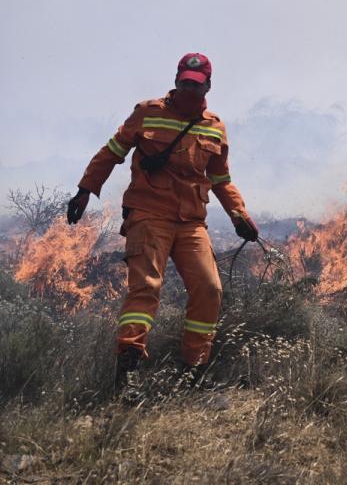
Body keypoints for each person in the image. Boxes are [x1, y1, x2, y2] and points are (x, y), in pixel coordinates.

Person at [66, 52, 259, 394]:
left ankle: (193, 372)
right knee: (146, 287)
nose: (189, 90)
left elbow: (221, 179)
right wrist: (85, 190)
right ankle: (128, 372)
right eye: (185, 83)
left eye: (196, 85)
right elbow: (112, 152)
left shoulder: (215, 126)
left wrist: (239, 214)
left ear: (208, 87)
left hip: (191, 222)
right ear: (176, 81)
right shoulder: (147, 112)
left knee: (209, 288)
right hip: (148, 213)